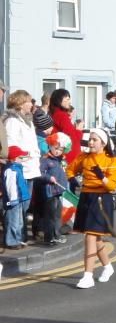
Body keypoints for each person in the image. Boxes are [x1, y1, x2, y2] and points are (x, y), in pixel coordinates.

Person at [67, 129, 116, 289]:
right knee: (95, 239)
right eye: (89, 139)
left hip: (101, 199)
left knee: (90, 236)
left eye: (94, 140)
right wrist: (72, 178)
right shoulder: (84, 157)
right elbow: (70, 169)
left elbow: (112, 186)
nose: (90, 142)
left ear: (103, 143)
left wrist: (101, 176)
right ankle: (107, 266)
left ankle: (88, 275)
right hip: (85, 197)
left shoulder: (112, 160)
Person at [4, 90, 42, 245]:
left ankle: (20, 236)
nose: (31, 104)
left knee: (24, 206)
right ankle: (13, 239)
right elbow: (11, 143)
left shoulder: (28, 121)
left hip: (30, 167)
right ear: (20, 103)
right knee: (16, 205)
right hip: (19, 167)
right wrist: (21, 155)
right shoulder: (13, 121)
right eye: (28, 101)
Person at [35, 132, 71, 246]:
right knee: (50, 216)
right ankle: (49, 237)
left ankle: (57, 235)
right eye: (56, 148)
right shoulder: (45, 159)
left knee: (57, 215)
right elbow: (39, 173)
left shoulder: (61, 160)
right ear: (50, 146)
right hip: (50, 192)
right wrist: (48, 177)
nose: (58, 151)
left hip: (59, 192)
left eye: (60, 149)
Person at [2, 146, 31, 249]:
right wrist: (13, 199)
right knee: (13, 222)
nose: (22, 159)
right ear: (14, 158)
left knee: (19, 222)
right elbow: (11, 187)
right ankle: (11, 241)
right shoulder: (11, 170)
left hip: (18, 200)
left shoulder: (16, 168)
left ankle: (17, 240)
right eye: (20, 157)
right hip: (13, 201)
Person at [49, 89, 83, 164]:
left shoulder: (55, 113)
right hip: (69, 156)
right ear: (59, 100)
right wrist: (79, 130)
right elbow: (72, 137)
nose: (69, 102)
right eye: (67, 99)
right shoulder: (62, 115)